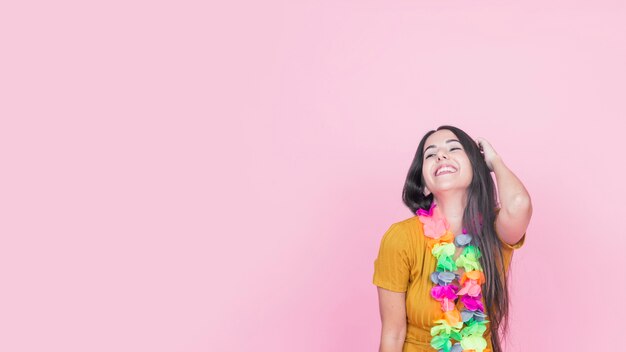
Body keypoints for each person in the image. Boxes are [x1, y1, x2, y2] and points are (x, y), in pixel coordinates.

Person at [373, 125, 532, 352]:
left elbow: (519, 204)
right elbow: (392, 334)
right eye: (430, 154)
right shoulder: (400, 238)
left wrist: (494, 162)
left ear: (475, 168)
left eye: (453, 148)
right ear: (425, 185)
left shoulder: (494, 230)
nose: (441, 155)